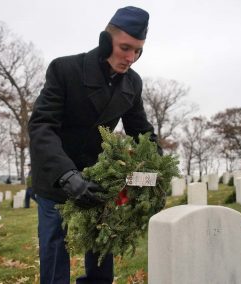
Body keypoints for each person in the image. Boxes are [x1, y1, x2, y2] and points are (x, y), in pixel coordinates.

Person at [28, 6, 162, 284]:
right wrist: (66, 174)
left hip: (96, 178)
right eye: (125, 47)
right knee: (55, 250)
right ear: (105, 41)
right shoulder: (65, 69)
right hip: (56, 175)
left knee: (102, 252)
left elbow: (141, 131)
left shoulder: (132, 83)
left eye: (138, 50)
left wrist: (160, 167)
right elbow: (42, 126)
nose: (130, 58)